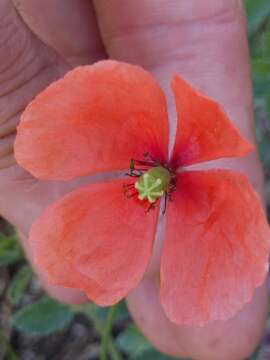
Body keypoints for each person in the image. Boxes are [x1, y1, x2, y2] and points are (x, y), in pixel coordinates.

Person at [0, 0, 268, 359]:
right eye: (149, 184)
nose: (148, 185)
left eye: (149, 184)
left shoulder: (185, 154)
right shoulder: (146, 174)